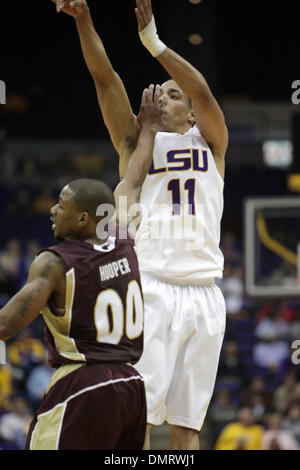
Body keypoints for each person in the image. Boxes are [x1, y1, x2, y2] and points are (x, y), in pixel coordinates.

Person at [54, 0, 228, 450]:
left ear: (190, 114)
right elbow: (105, 78)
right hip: (150, 285)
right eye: (161, 92)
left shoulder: (210, 140)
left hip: (206, 291)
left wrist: (153, 43)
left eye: (174, 94)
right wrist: (83, 19)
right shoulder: (135, 142)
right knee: (141, 416)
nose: (163, 96)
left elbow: (204, 93)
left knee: (188, 426)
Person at [0, 85, 163, 450]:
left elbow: (6, 325)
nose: (53, 210)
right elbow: (133, 179)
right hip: (132, 387)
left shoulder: (55, 262)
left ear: (85, 219)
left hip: (83, 385)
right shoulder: (124, 236)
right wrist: (149, 129)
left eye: (62, 204)